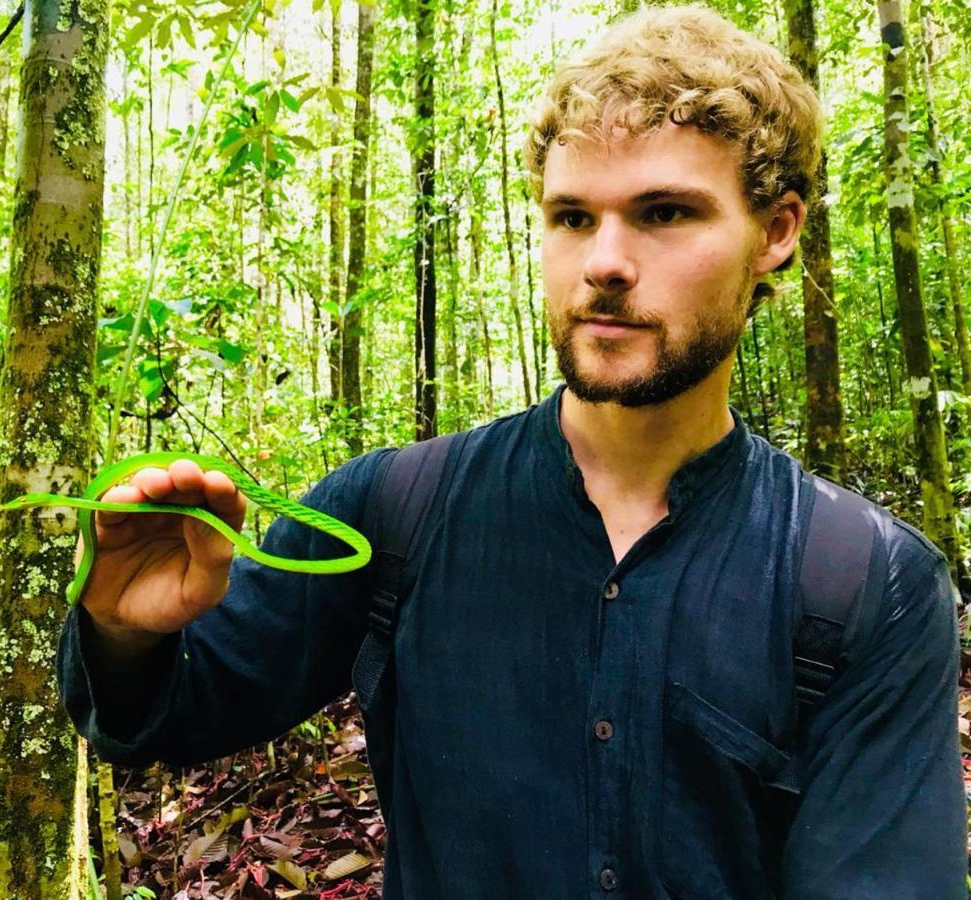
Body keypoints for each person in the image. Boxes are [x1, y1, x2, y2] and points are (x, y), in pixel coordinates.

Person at [57, 5, 966, 897]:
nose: (603, 262)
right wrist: (126, 631)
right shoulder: (395, 512)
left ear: (775, 232)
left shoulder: (864, 586)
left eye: (663, 213)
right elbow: (166, 713)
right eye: (572, 217)